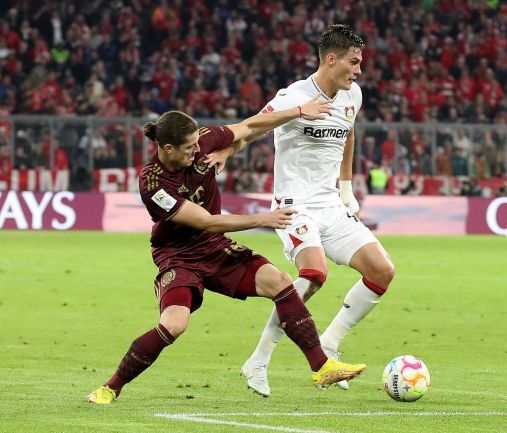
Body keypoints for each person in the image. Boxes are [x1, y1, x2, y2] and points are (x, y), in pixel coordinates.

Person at [86, 104, 366, 404]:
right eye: (189, 148)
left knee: (280, 282)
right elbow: (207, 221)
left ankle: (321, 367)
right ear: (168, 149)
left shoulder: (203, 140)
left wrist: (297, 111)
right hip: (179, 256)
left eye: (198, 143)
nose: (198, 151)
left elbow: (250, 126)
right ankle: (110, 387)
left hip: (214, 247)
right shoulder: (153, 184)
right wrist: (263, 219)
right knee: (174, 324)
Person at [209, 25, 394, 397]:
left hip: (330, 204)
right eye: (354, 62)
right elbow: (252, 127)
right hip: (294, 205)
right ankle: (259, 359)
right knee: (313, 273)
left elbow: (349, 132)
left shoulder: (353, 95)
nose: (359, 71)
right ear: (331, 59)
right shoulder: (293, 96)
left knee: (382, 270)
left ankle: (330, 344)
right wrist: (227, 149)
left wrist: (346, 187)